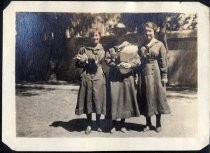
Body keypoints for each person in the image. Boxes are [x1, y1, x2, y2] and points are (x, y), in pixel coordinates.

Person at [105, 23, 141, 133]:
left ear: (124, 33)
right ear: (114, 33)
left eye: (121, 31)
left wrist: (130, 65)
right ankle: (113, 124)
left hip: (127, 76)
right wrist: (114, 64)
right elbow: (107, 59)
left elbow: (137, 60)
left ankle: (123, 124)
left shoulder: (130, 46)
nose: (119, 33)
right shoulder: (110, 46)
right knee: (114, 99)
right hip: (115, 76)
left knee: (125, 99)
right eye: (117, 31)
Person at [137, 22, 170, 133]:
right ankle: (147, 123)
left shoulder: (159, 44)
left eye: (150, 31)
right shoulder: (141, 46)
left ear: (154, 32)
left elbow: (163, 61)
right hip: (144, 74)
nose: (148, 33)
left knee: (157, 97)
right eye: (146, 31)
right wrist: (137, 75)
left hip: (156, 73)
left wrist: (164, 75)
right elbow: (138, 61)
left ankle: (158, 123)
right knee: (146, 97)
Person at [74, 29, 106, 135]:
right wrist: (81, 60)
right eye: (92, 36)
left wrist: (87, 60)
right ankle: (88, 124)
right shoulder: (84, 49)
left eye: (97, 36)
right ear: (90, 37)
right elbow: (77, 64)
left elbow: (97, 62)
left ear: (99, 36)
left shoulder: (102, 49)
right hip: (87, 76)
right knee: (88, 99)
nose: (95, 38)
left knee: (98, 99)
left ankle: (97, 123)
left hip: (98, 77)